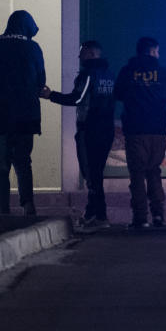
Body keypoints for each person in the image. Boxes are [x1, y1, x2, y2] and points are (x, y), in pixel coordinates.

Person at [0, 10, 45, 215]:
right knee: (23, 163)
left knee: (1, 167)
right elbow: (40, 81)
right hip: (25, 115)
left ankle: (2, 209)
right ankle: (28, 205)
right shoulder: (33, 48)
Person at [41, 40, 115, 230]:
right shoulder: (109, 74)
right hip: (106, 129)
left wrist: (52, 96)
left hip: (90, 129)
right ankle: (91, 214)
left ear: (91, 54)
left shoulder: (88, 74)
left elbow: (77, 98)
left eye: (82, 52)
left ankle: (101, 216)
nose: (79, 56)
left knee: (91, 173)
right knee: (96, 172)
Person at [114, 36, 166, 229]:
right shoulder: (163, 73)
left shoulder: (127, 71)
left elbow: (118, 94)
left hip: (135, 130)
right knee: (154, 171)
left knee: (137, 174)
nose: (158, 54)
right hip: (157, 130)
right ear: (152, 51)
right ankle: (158, 215)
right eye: (157, 51)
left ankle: (140, 217)